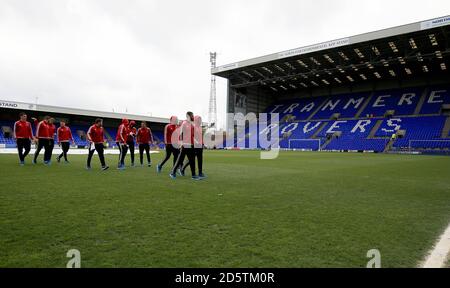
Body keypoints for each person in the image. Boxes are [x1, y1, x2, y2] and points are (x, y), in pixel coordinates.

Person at [170, 112, 197, 180]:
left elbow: (193, 135)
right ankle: (172, 173)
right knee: (180, 160)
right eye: (192, 115)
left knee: (192, 160)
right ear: (188, 116)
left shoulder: (192, 124)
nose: (193, 116)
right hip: (185, 144)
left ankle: (193, 175)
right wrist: (181, 143)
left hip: (191, 145)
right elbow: (180, 133)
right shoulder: (184, 123)